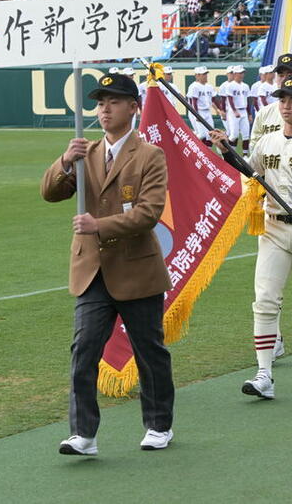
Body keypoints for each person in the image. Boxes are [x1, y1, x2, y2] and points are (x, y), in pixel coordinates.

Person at [41, 73, 174, 456]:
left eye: (113, 101)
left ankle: (158, 424)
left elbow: (149, 213)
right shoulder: (86, 152)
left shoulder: (150, 155)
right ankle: (83, 434)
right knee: (83, 350)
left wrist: (97, 225)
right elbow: (49, 192)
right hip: (92, 270)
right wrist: (66, 160)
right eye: (100, 102)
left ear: (133, 107)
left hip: (137, 267)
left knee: (149, 352)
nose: (104, 109)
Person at [213, 77, 292, 399]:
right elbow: (250, 171)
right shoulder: (268, 142)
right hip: (272, 228)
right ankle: (264, 373)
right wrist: (226, 149)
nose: (286, 106)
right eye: (282, 99)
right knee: (265, 301)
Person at [186, 66, 215, 146]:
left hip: (207, 111)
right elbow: (193, 102)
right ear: (197, 75)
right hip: (197, 111)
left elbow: (212, 101)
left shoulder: (208, 86)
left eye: (206, 74)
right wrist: (196, 115)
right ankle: (189, 142)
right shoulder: (194, 86)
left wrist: (218, 110)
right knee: (202, 135)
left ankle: (207, 154)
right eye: (203, 74)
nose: (205, 75)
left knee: (210, 134)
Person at [227, 65, 253, 156]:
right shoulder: (230, 85)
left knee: (246, 135)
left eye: (243, 73)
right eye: (240, 73)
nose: (242, 75)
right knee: (234, 135)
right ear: (235, 74)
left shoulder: (245, 86)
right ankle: (228, 151)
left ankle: (245, 155)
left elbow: (248, 100)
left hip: (244, 111)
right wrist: (234, 111)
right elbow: (230, 99)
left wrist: (249, 114)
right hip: (234, 112)